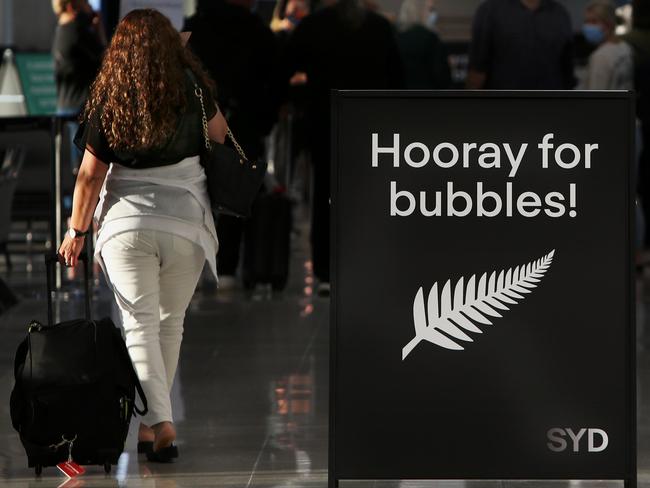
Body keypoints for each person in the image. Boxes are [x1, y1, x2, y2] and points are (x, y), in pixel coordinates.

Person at [57, 9, 228, 462]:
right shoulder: (193, 88)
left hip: (127, 227)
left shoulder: (110, 94)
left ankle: (160, 421)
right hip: (187, 224)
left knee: (139, 325)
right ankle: (154, 430)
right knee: (170, 324)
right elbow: (222, 138)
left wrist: (76, 230)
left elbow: (89, 177)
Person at [285, 0, 403, 295]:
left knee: (326, 197)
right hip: (369, 125)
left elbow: (286, 68)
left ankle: (326, 271)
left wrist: (296, 101)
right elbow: (397, 79)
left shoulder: (313, 26)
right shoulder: (379, 27)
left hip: (325, 122)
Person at [183, 0, 282, 288]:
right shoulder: (258, 31)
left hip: (196, 123)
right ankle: (226, 266)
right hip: (244, 124)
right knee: (236, 192)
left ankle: (194, 262)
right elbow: (273, 81)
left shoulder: (194, 28)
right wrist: (265, 121)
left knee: (195, 189)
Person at [466, 0, 575, 89]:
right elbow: (477, 69)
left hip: (550, 105)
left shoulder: (560, 13)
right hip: (503, 106)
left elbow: (567, 70)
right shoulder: (489, 11)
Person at [51, 0, 105, 115]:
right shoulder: (77, 31)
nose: (90, 6)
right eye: (85, 2)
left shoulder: (61, 30)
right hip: (79, 109)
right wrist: (99, 31)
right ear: (72, 6)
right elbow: (106, 59)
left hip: (66, 105)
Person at [396, 0, 451, 89]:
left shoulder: (395, 36)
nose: (433, 14)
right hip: (426, 96)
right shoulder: (430, 38)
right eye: (430, 9)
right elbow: (442, 76)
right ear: (422, 10)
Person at [580, 0, 633, 89]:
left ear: (609, 23)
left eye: (593, 21)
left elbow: (597, 98)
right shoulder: (625, 47)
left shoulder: (601, 57)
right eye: (586, 21)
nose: (588, 26)